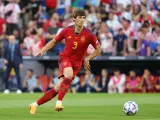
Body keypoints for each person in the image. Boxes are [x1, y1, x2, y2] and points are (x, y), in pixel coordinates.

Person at [29, 9, 101, 114]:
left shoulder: (89, 34)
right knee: (68, 75)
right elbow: (54, 41)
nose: (82, 20)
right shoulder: (66, 30)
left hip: (77, 64)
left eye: (83, 18)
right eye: (80, 18)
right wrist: (43, 50)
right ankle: (59, 103)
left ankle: (34, 105)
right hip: (65, 58)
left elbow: (99, 50)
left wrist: (87, 58)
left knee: (57, 88)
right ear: (74, 19)